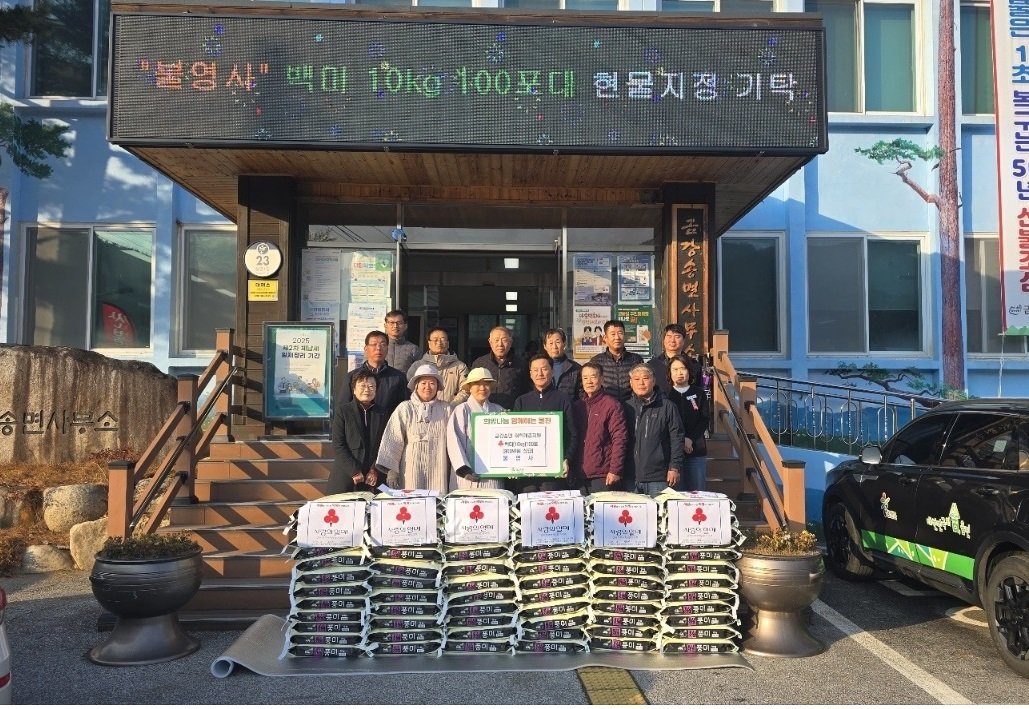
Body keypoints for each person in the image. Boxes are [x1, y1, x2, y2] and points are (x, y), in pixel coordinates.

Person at [375, 363, 453, 493]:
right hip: (411, 466)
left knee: (437, 501)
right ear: (416, 385)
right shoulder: (405, 408)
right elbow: (394, 438)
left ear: (438, 386)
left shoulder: (446, 409)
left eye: (432, 383)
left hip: (439, 465)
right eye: (423, 383)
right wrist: (392, 470)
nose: (427, 387)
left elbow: (454, 441)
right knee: (412, 500)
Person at [510, 353, 579, 494]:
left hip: (553, 472)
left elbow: (573, 434)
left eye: (544, 369)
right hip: (526, 472)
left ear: (552, 371)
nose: (540, 373)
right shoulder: (521, 401)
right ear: (530, 374)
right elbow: (514, 437)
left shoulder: (563, 399)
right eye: (535, 370)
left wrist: (567, 458)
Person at [625, 364, 685, 498]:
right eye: (636, 379)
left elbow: (677, 438)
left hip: (659, 477)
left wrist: (674, 467)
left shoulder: (667, 406)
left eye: (645, 378)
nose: (641, 383)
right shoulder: (625, 407)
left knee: (660, 511)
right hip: (631, 476)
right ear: (631, 383)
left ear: (653, 381)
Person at [446, 367, 505, 491]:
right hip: (467, 478)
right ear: (470, 388)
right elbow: (454, 442)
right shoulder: (461, 410)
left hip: (492, 475)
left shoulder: (499, 410)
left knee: (494, 502)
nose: (482, 388)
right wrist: (464, 469)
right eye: (477, 384)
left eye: (486, 384)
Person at [572, 362, 628, 494]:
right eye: (585, 378)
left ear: (602, 379)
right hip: (579, 474)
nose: (589, 381)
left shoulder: (611, 405)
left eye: (593, 377)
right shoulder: (577, 406)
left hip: (603, 474)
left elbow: (620, 439)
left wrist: (615, 470)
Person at [329, 370, 387, 494]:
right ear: (354, 389)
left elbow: (386, 446)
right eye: (362, 386)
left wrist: (375, 470)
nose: (367, 390)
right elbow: (338, 445)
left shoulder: (383, 413)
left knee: (385, 500)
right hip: (347, 475)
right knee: (342, 505)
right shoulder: (343, 411)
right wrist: (354, 471)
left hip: (374, 478)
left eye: (371, 386)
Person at [338, 330, 408, 416]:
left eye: (383, 344)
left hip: (388, 423)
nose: (378, 348)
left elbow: (404, 409)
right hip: (359, 423)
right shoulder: (352, 377)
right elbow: (343, 409)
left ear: (387, 348)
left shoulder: (398, 377)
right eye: (374, 344)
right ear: (366, 349)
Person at [666, 354, 709, 491]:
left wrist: (690, 439)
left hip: (695, 451)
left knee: (696, 493)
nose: (679, 373)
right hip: (671, 454)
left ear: (689, 371)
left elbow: (704, 419)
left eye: (683, 368)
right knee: (675, 495)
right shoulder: (665, 395)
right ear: (669, 372)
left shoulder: (699, 393)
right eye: (675, 369)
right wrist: (681, 441)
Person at [470, 325, 530, 410]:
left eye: (504, 340)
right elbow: (472, 389)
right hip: (484, 413)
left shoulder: (521, 364)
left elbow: (526, 391)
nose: (500, 344)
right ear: (490, 342)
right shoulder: (480, 363)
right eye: (496, 340)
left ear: (510, 342)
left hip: (512, 413)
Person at [407, 327, 469, 404]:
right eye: (435, 340)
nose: (439, 343)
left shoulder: (460, 367)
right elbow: (410, 389)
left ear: (448, 343)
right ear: (429, 343)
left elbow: (465, 390)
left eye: (443, 339)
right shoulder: (417, 366)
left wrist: (451, 406)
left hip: (452, 409)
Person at [589, 320, 644, 402]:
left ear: (624, 336)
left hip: (631, 407)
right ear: (605, 338)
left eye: (620, 333)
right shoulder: (596, 361)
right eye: (613, 334)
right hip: (606, 406)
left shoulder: (636, 359)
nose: (617, 337)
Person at [647, 323, 698, 394]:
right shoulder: (652, 365)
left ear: (683, 341)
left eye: (677, 337)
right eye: (669, 336)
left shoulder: (693, 364)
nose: (672, 340)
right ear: (664, 340)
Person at [543, 328, 582, 399]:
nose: (554, 347)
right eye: (551, 343)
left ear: (564, 344)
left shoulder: (576, 368)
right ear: (545, 346)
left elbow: (581, 396)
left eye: (558, 342)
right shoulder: (538, 368)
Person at [384, 309, 420, 374]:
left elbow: (419, 372)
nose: (395, 326)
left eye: (399, 323)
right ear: (385, 326)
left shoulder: (413, 349)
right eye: (391, 323)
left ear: (405, 326)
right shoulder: (378, 347)